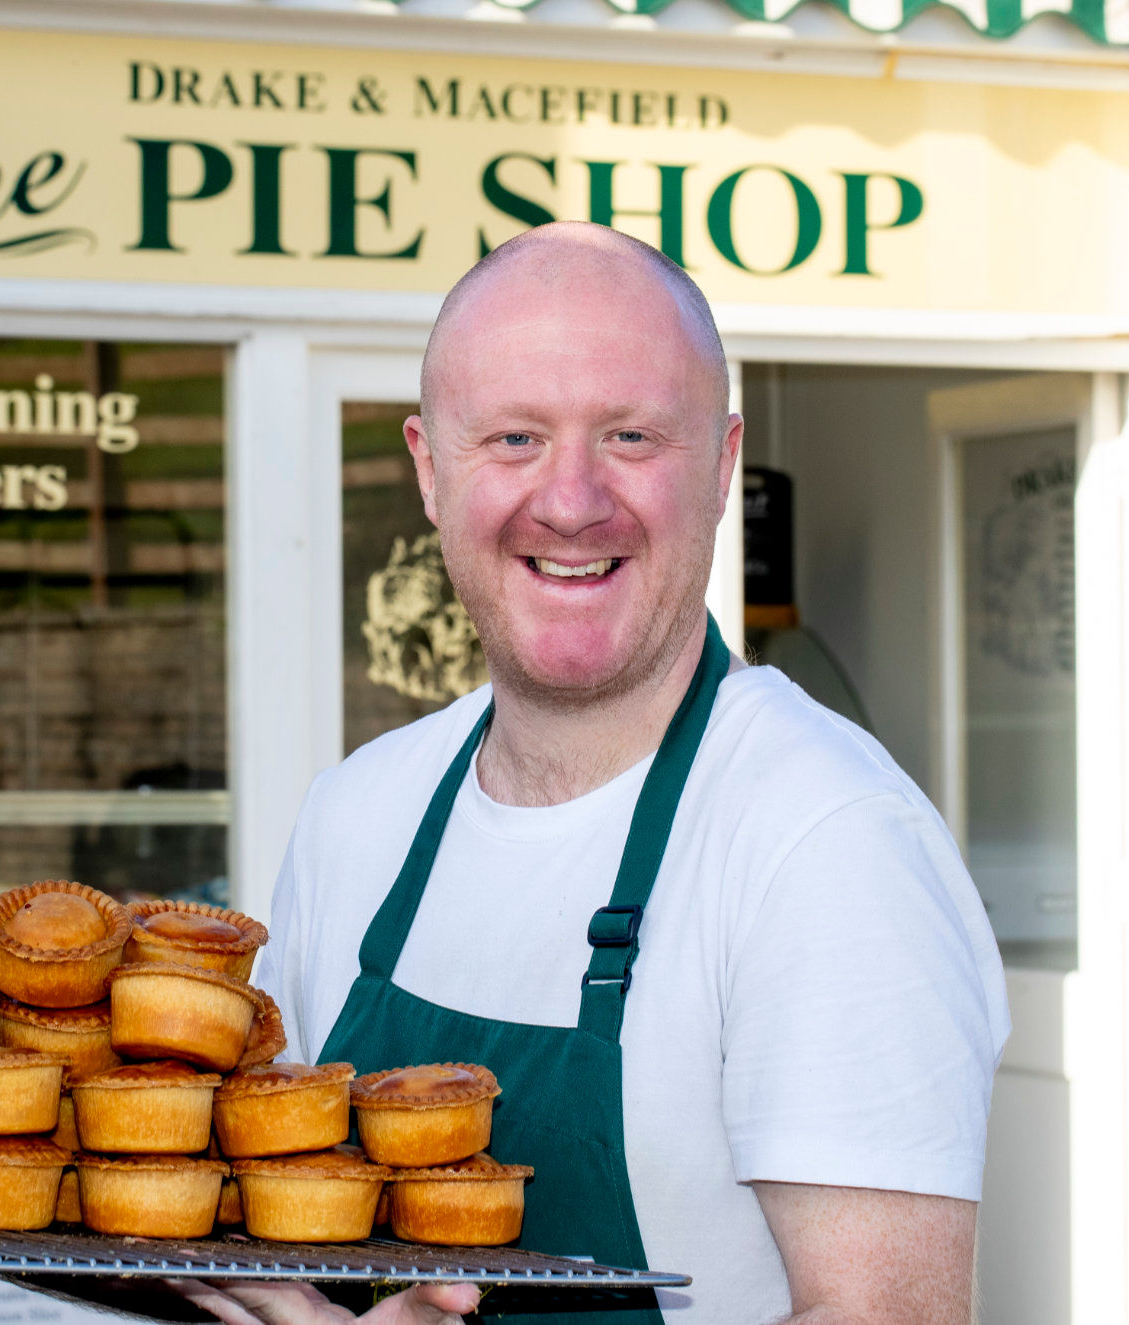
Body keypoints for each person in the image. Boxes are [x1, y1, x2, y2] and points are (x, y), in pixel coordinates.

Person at [204, 222, 1009, 1325]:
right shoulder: (360, 813)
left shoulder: (824, 839)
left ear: (722, 466)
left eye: (630, 435)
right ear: (431, 470)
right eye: (514, 438)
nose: (572, 500)